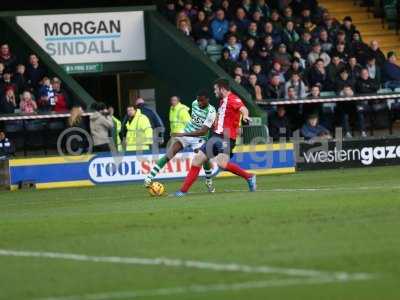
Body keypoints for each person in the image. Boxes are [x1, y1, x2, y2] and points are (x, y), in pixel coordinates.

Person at [175, 79, 256, 196]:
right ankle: (182, 191)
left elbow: (244, 109)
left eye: (215, 89)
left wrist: (246, 116)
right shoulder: (222, 101)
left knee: (222, 164)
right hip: (216, 136)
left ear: (222, 89)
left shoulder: (233, 99)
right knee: (197, 160)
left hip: (226, 138)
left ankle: (249, 177)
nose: (214, 92)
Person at [144, 91, 217, 192]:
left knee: (204, 159)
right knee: (169, 154)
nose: (199, 103)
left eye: (202, 101)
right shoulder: (194, 103)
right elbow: (193, 121)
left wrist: (182, 134)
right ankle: (149, 178)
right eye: (198, 100)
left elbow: (203, 131)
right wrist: (184, 133)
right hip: (186, 133)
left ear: (208, 100)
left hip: (199, 138)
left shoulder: (211, 112)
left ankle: (209, 180)